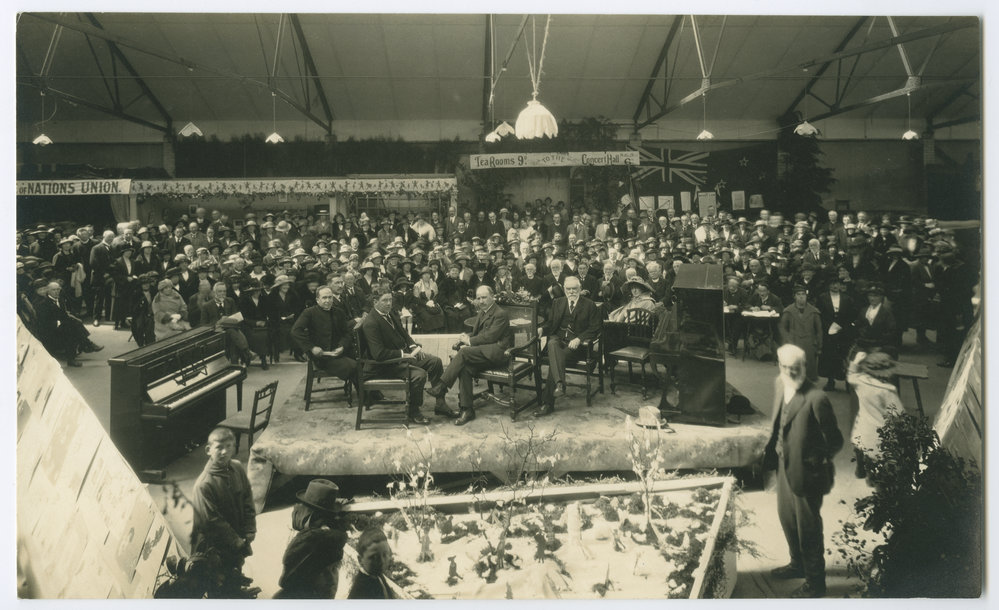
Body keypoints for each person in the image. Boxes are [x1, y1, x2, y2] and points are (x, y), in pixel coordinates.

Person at [763, 344, 843, 598]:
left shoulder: (817, 397)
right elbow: (778, 423)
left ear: (804, 367)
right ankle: (797, 564)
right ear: (779, 366)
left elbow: (835, 440)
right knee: (787, 517)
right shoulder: (779, 383)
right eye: (785, 367)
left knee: (808, 527)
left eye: (795, 368)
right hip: (783, 463)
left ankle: (815, 583)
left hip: (807, 472)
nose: (789, 372)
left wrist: (814, 461)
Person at [361, 286, 454, 424]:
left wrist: (412, 346)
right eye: (384, 300)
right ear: (375, 302)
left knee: (435, 362)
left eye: (390, 300)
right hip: (384, 367)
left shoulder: (389, 313)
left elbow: (404, 333)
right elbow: (378, 354)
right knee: (419, 375)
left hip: (400, 359)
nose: (388, 303)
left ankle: (440, 403)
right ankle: (414, 411)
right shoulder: (371, 322)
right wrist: (403, 355)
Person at [426, 285, 514, 426]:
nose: (481, 300)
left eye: (484, 297)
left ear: (493, 296)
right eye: (478, 298)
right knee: (465, 367)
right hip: (484, 352)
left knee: (464, 352)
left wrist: (469, 341)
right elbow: (479, 334)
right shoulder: (482, 312)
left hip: (498, 353)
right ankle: (467, 409)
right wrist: (466, 336)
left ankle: (441, 387)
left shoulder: (500, 313)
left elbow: (490, 337)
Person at [190, 428, 258, 598]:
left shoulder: (237, 467)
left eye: (229, 446)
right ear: (208, 450)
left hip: (238, 536)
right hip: (214, 544)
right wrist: (237, 541)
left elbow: (247, 498)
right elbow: (212, 522)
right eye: (219, 447)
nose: (225, 451)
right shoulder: (203, 485)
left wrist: (250, 529)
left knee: (235, 569)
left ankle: (234, 590)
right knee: (217, 579)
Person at [535, 275, 601, 417]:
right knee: (552, 343)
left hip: (577, 347)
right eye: (568, 289)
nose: (571, 291)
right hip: (558, 340)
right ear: (564, 290)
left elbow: (595, 328)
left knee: (556, 360)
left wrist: (579, 338)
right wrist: (542, 329)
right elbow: (551, 323)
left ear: (580, 289)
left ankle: (548, 403)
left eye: (574, 288)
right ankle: (560, 383)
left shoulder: (589, 305)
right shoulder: (557, 303)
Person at [274, 479, 349, 599]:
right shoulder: (316, 539)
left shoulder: (310, 536)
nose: (332, 579)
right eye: (325, 572)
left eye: (334, 570)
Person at [846, 351, 904, 480]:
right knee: (878, 456)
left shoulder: (860, 382)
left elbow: (851, 375)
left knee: (860, 446)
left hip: (862, 426)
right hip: (879, 431)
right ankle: (873, 478)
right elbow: (898, 415)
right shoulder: (887, 391)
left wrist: (855, 361)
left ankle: (860, 468)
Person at [291, 285, 358, 391]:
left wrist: (342, 347)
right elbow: (295, 331)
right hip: (322, 357)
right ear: (317, 300)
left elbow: (346, 334)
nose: (328, 301)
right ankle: (366, 397)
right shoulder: (309, 313)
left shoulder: (339, 312)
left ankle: (368, 393)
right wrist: (311, 348)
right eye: (324, 298)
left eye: (330, 297)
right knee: (354, 367)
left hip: (340, 352)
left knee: (363, 363)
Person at [32, 281, 103, 366]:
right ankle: (85, 345)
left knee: (72, 325)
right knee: (71, 326)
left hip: (59, 325)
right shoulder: (41, 303)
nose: (56, 291)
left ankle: (81, 349)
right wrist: (60, 322)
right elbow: (44, 321)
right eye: (54, 290)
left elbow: (64, 314)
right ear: (49, 291)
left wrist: (70, 319)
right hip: (49, 329)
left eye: (58, 289)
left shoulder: (60, 299)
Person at [816, 276, 858, 391]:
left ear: (841, 285)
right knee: (829, 356)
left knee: (844, 357)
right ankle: (830, 381)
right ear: (829, 285)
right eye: (832, 284)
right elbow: (820, 314)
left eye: (837, 284)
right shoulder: (822, 298)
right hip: (828, 331)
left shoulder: (847, 299)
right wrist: (828, 325)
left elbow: (851, 315)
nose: (835, 286)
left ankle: (848, 383)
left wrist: (842, 326)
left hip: (843, 332)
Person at [779, 285, 823, 382]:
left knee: (809, 370)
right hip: (793, 342)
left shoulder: (814, 311)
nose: (801, 296)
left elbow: (819, 330)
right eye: (798, 294)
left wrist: (819, 345)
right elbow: (782, 327)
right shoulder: (788, 311)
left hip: (809, 343)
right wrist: (787, 340)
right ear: (794, 296)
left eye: (803, 294)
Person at [347, 527, 396, 599]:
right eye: (374, 557)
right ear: (360, 560)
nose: (382, 561)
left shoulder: (376, 575)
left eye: (385, 555)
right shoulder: (362, 589)